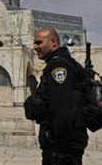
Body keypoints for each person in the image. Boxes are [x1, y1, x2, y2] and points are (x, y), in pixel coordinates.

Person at [33, 27, 88, 165]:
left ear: (53, 42)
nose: (35, 47)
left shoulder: (58, 66)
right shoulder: (67, 62)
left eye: (39, 43)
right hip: (66, 143)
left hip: (61, 146)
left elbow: (62, 111)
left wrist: (62, 151)